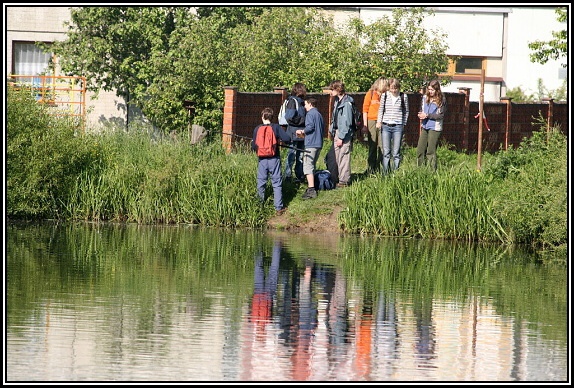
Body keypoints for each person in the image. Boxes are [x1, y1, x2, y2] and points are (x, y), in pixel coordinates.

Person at [251, 107, 293, 215]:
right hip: (274, 158)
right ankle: (278, 208)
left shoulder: (257, 129)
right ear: (272, 117)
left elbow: (254, 145)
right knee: (276, 183)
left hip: (262, 160)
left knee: (261, 182)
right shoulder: (276, 127)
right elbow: (287, 139)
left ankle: (259, 205)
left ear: (262, 117)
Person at [376, 78, 409, 174]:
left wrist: (403, 123)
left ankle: (395, 173)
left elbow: (406, 111)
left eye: (395, 88)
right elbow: (381, 109)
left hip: (398, 126)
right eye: (392, 88)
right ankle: (385, 173)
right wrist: (379, 121)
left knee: (396, 152)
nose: (394, 90)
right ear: (389, 88)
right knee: (386, 151)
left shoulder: (403, 97)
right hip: (386, 125)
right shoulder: (385, 96)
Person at [296, 97, 324, 200]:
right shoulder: (319, 115)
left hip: (311, 144)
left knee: (308, 166)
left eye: (306, 104)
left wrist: (301, 131)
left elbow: (310, 127)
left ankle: (311, 189)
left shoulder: (310, 114)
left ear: (310, 104)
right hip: (318, 143)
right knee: (312, 165)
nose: (304, 106)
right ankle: (313, 185)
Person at [328, 80, 354, 187]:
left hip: (344, 133)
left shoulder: (346, 103)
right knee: (337, 156)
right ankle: (338, 177)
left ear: (338, 89)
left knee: (343, 156)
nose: (331, 92)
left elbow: (346, 121)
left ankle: (344, 180)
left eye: (332, 89)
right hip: (337, 132)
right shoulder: (338, 101)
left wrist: (341, 137)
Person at [417, 80, 447, 171]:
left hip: (435, 127)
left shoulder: (442, 100)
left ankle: (432, 171)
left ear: (437, 90)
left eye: (432, 90)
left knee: (430, 150)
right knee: (420, 149)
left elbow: (441, 115)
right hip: (425, 126)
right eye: (429, 89)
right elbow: (422, 109)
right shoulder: (425, 97)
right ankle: (420, 170)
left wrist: (427, 115)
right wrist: (421, 114)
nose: (430, 92)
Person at [362, 77, 389, 174]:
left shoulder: (386, 95)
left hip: (383, 121)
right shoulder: (371, 93)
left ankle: (381, 167)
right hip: (371, 121)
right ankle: (371, 167)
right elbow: (365, 110)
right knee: (372, 145)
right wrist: (365, 125)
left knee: (382, 145)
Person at [282, 83, 307, 183]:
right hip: (293, 132)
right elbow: (289, 117)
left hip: (301, 132)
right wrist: (303, 120)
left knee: (300, 155)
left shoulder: (302, 102)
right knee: (292, 154)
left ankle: (299, 175)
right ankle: (287, 176)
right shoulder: (292, 101)